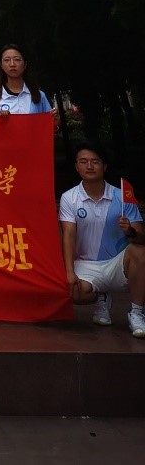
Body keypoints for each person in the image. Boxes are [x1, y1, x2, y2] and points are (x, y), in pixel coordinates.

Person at [58, 142, 144, 338]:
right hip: (85, 264)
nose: (89, 166)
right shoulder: (69, 198)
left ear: (104, 166)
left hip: (117, 263)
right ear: (76, 166)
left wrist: (130, 231)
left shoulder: (121, 196)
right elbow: (68, 235)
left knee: (140, 252)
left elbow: (141, 237)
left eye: (95, 162)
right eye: (83, 162)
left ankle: (137, 313)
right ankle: (101, 297)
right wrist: (69, 272)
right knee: (73, 291)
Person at [0, 43, 52, 116]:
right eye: (7, 60)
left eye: (17, 59)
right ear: (1, 65)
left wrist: (55, 120)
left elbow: (48, 121)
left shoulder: (38, 95)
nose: (12, 64)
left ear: (25, 64)